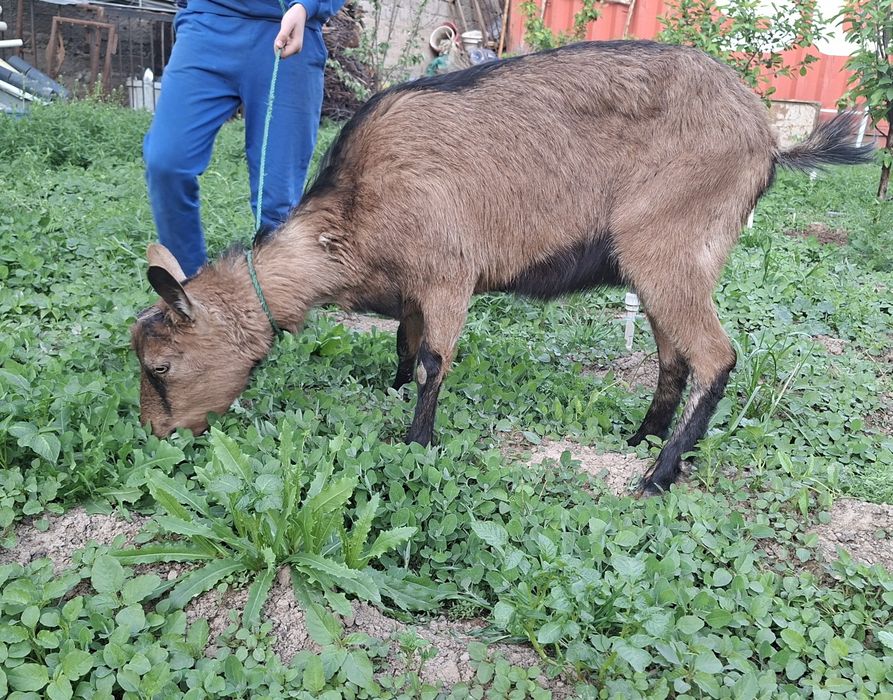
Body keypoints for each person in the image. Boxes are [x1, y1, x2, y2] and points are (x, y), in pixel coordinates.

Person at [143, 0, 345, 277]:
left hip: (289, 27)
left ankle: (276, 301)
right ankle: (188, 287)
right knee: (166, 162)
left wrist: (305, 6)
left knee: (278, 202)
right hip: (208, 23)